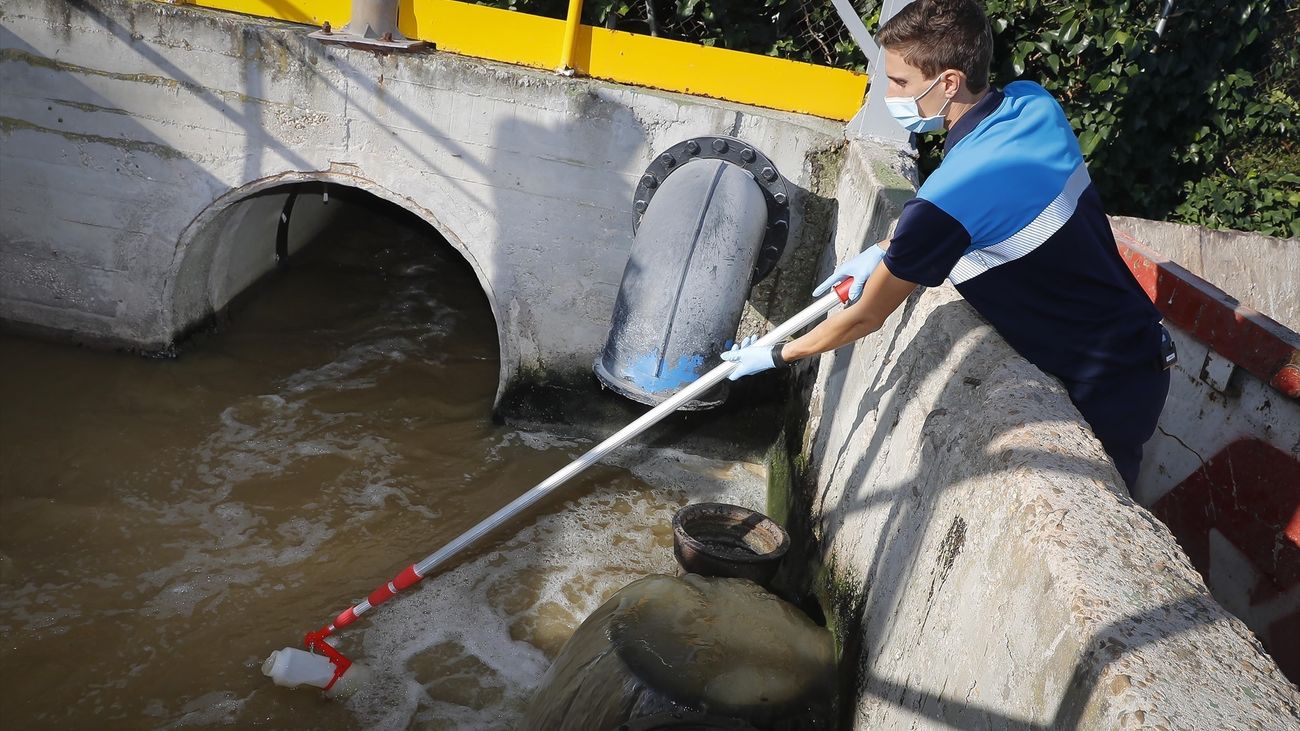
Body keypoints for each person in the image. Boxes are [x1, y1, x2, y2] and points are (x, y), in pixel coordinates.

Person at [721, 0, 1173, 492]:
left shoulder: (944, 203)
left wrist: (777, 354)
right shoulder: (1032, 104)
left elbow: (866, 317)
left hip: (1104, 385)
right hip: (1140, 347)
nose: (887, 92)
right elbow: (980, 207)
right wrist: (887, 248)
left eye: (899, 83)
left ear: (949, 82)